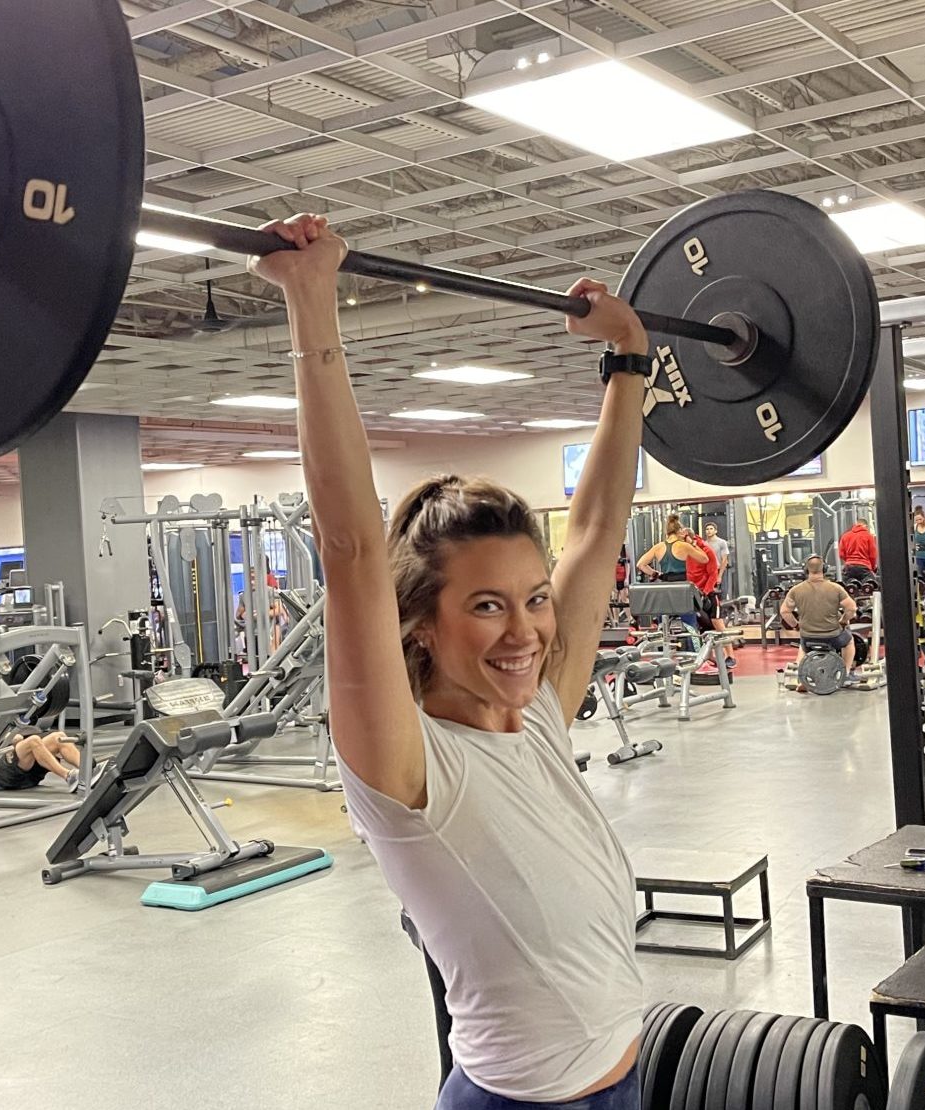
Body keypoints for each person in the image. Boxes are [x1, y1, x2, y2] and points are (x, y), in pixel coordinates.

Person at [251, 212, 644, 1109]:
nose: (524, 631)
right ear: (421, 624)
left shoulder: (538, 713)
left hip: (621, 1082)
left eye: (533, 598)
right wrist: (313, 304)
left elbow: (594, 531)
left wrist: (628, 361)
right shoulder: (409, 768)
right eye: (485, 606)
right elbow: (351, 545)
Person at [636, 517, 720, 633]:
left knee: (664, 625)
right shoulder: (684, 545)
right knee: (690, 625)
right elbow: (704, 559)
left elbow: (640, 564)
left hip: (666, 588)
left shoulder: (658, 547)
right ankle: (693, 649)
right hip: (682, 589)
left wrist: (657, 574)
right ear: (679, 531)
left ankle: (665, 647)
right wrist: (692, 543)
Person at [780, 556, 856, 682]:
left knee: (803, 646)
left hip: (808, 637)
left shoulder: (796, 590)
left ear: (806, 570)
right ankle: (846, 673)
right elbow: (852, 609)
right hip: (833, 637)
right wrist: (843, 621)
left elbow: (784, 612)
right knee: (849, 642)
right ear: (824, 569)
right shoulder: (836, 588)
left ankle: (802, 678)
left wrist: (796, 626)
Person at [0, 727, 83, 791]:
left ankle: (86, 771)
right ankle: (68, 776)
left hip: (18, 769)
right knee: (33, 741)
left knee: (57, 737)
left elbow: (15, 738)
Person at [837, 520, 878, 585]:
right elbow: (872, 556)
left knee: (847, 583)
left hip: (849, 567)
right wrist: (872, 568)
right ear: (866, 526)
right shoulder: (869, 536)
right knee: (872, 584)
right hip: (864, 567)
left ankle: (851, 582)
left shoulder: (845, 536)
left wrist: (849, 560)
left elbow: (841, 554)